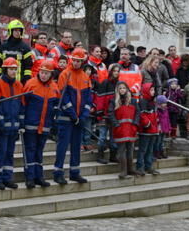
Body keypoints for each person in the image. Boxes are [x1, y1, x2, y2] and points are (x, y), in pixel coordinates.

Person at [52, 47, 92, 185]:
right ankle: (58, 173)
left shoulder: (86, 77)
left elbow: (88, 99)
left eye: (79, 61)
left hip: (79, 118)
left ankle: (75, 173)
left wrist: (83, 116)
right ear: (71, 60)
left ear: (82, 62)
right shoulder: (65, 74)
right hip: (66, 118)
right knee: (62, 146)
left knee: (76, 146)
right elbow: (64, 98)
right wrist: (74, 115)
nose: (76, 63)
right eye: (74, 60)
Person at [21, 59, 59, 188]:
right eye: (42, 72)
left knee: (39, 151)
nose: (43, 75)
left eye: (46, 73)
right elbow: (23, 104)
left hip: (45, 125)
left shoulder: (54, 87)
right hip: (31, 124)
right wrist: (22, 123)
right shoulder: (30, 84)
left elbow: (55, 106)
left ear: (51, 74)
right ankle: (30, 177)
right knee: (30, 150)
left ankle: (39, 177)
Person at [0, 57, 24, 190]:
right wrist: (1, 123)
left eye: (15, 69)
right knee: (1, 152)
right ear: (5, 70)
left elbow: (21, 106)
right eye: (11, 69)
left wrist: (20, 124)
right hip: (2, 127)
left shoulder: (19, 85)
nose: (13, 72)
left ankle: (7, 178)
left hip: (13, 126)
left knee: (10, 153)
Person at [107, 81, 139, 178]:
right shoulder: (114, 101)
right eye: (120, 88)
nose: (122, 90)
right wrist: (116, 124)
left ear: (127, 89)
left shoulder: (132, 101)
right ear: (117, 90)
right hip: (120, 129)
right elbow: (110, 114)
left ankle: (130, 169)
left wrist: (135, 124)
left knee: (130, 150)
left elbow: (138, 113)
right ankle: (123, 170)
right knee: (121, 150)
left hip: (130, 128)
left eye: (124, 88)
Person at [93, 64, 120, 164]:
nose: (116, 73)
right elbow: (100, 98)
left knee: (114, 137)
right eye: (115, 71)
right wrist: (99, 112)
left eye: (118, 71)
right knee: (103, 136)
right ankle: (100, 156)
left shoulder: (119, 84)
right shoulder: (105, 82)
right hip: (104, 114)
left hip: (115, 115)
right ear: (111, 71)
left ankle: (113, 156)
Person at [136, 83, 159, 176]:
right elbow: (142, 115)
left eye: (153, 90)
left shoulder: (152, 102)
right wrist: (148, 124)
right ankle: (140, 166)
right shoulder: (142, 102)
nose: (153, 92)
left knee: (150, 150)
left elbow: (154, 115)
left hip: (152, 130)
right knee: (143, 150)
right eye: (151, 90)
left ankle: (148, 166)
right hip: (146, 130)